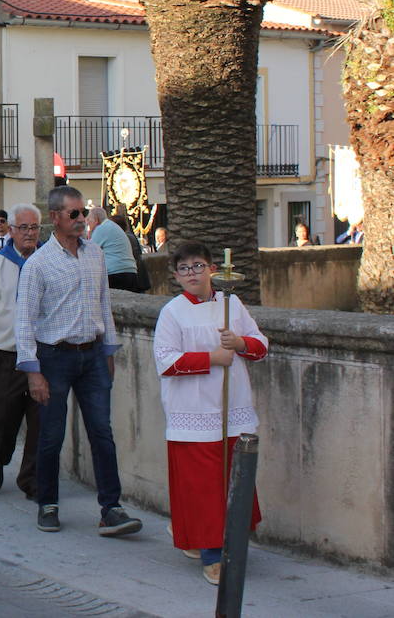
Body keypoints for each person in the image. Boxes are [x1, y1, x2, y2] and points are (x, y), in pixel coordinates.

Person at [16, 185, 142, 537]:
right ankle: (48, 503)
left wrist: (109, 350)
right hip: (54, 357)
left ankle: (111, 508)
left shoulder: (95, 255)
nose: (81, 220)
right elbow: (24, 321)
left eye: (83, 213)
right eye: (74, 214)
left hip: (92, 355)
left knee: (102, 432)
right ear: (55, 218)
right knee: (51, 435)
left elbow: (104, 305)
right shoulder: (38, 265)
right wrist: (32, 372)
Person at [154, 240, 267, 585]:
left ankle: (225, 540)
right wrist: (212, 359)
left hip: (232, 406)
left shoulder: (231, 304)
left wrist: (241, 344)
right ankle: (212, 554)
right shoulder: (173, 312)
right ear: (176, 275)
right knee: (202, 486)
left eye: (198, 266)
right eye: (185, 268)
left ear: (212, 269)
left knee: (233, 479)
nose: (192, 273)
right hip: (193, 409)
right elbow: (166, 360)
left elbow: (260, 345)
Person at [0, 204, 42, 499]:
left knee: (41, 420)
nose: (29, 233)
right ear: (11, 230)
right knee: (2, 417)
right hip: (6, 354)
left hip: (42, 355)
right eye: (23, 228)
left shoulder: (48, 261)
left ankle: (32, 479)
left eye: (34, 228)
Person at [88, 207, 143, 292]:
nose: (87, 223)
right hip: (129, 271)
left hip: (116, 273)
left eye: (89, 220)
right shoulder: (111, 226)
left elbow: (88, 252)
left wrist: (89, 234)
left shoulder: (101, 229)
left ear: (96, 220)